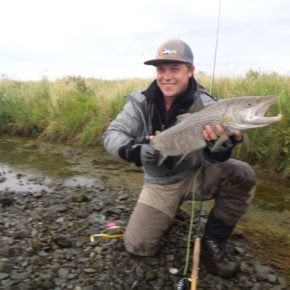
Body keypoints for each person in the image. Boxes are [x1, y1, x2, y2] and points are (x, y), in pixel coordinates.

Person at [103, 39, 256, 278]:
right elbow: (112, 134)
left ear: (190, 70)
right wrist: (133, 150)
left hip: (196, 174)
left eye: (175, 69)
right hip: (160, 183)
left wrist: (221, 146)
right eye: (161, 70)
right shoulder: (140, 102)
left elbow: (217, 157)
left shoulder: (209, 105)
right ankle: (170, 211)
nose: (166, 76)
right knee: (138, 246)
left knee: (241, 173)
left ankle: (213, 242)